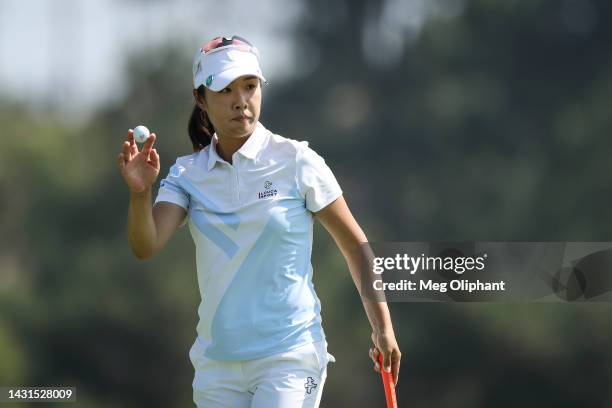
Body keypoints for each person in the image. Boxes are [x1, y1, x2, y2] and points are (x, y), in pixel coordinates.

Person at [116, 34, 401, 408]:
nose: (240, 101)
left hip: (290, 356)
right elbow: (145, 245)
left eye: (250, 86)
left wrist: (383, 328)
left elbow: (355, 246)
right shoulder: (187, 175)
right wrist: (140, 193)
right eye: (225, 90)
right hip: (217, 365)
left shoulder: (296, 160)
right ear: (200, 99)